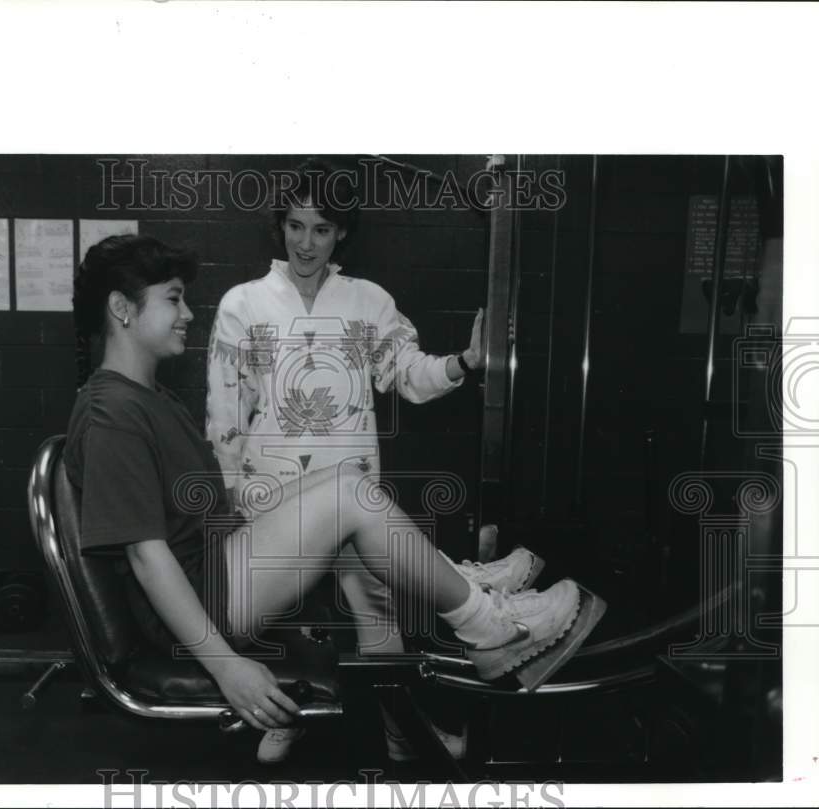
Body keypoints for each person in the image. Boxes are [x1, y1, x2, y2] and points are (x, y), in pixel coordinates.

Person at [64, 233, 595, 759]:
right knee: (349, 497)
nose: (187, 314)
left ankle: (462, 598)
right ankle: (486, 627)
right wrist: (225, 665)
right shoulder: (113, 414)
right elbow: (145, 554)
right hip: (204, 598)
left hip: (215, 569)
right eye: (173, 298)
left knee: (350, 492)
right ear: (122, 309)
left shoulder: (145, 398)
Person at [205, 159, 543, 762]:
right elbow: (225, 415)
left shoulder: (369, 301)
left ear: (342, 235)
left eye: (322, 229)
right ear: (279, 226)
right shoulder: (243, 305)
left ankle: (403, 735)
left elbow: (406, 376)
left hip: (356, 493)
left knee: (380, 630)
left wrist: (464, 362)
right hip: (274, 498)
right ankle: (292, 714)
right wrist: (231, 499)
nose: (306, 243)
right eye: (296, 226)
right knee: (295, 627)